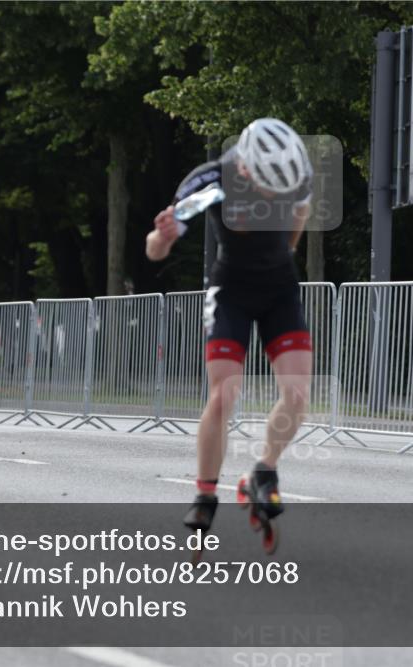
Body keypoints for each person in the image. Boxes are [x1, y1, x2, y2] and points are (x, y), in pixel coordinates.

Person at [146, 118, 314, 537]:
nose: (272, 196)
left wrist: (285, 254)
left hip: (279, 287)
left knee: (297, 394)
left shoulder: (298, 171)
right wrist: (163, 237)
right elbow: (154, 250)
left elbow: (301, 213)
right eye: (264, 188)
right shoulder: (211, 180)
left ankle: (263, 473)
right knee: (224, 394)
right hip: (232, 289)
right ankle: (205, 494)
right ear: (244, 169)